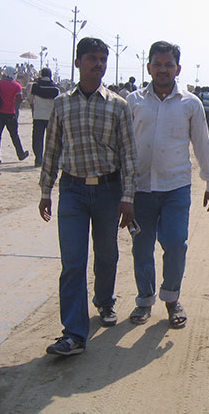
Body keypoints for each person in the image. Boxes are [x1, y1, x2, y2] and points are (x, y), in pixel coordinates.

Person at [38, 37, 138, 356]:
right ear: (78, 62)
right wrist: (45, 191)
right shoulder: (62, 103)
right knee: (73, 262)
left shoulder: (118, 105)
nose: (98, 64)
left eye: (102, 59)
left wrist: (128, 197)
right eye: (92, 58)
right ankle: (74, 333)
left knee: (106, 254)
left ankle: (105, 302)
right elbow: (52, 149)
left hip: (109, 190)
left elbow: (129, 154)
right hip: (72, 191)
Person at [126, 41, 209, 328]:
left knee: (176, 243)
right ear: (149, 67)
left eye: (169, 64)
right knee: (141, 247)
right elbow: (124, 146)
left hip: (176, 188)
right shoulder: (133, 101)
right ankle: (144, 300)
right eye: (158, 64)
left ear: (177, 68)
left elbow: (202, 144)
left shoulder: (190, 103)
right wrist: (123, 191)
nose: (163, 69)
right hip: (140, 189)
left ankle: (171, 297)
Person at [0, 65, 29, 164]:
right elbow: (19, 99)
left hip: (0, 113)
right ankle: (20, 154)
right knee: (14, 135)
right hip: (10, 113)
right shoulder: (16, 85)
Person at [30, 67, 60, 167]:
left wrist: (33, 110)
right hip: (51, 117)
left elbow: (30, 99)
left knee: (37, 139)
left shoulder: (36, 86)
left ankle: (38, 159)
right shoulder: (55, 88)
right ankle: (51, 161)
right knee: (51, 140)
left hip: (38, 116)